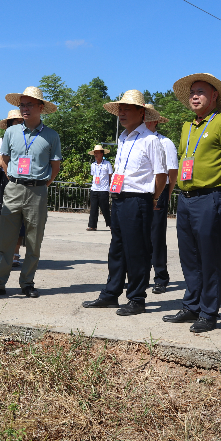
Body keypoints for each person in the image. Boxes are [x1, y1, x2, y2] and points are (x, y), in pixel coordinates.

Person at [162, 73, 221, 333]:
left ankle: (208, 312)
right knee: (189, 257)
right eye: (192, 92)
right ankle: (192, 305)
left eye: (201, 91)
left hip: (210, 197)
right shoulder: (187, 126)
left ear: (215, 95)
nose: (194, 96)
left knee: (209, 257)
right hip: (186, 198)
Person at [82, 91, 167, 315]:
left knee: (137, 251)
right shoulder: (123, 138)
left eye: (127, 108)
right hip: (118, 198)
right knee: (117, 249)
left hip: (138, 199)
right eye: (120, 109)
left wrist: (153, 197)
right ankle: (111, 294)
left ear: (141, 112)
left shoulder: (151, 140)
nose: (122, 112)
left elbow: (161, 175)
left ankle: (137, 298)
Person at [0, 86, 62, 298]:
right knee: (6, 239)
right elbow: (3, 159)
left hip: (37, 191)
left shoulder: (52, 136)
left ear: (41, 107)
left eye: (30, 105)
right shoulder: (11, 132)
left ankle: (27, 282)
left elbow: (55, 166)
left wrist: (45, 184)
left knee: (34, 241)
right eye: (22, 105)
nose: (25, 109)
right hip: (13, 189)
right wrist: (11, 177)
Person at [144, 104, 178, 294]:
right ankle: (141, 275)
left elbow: (172, 171)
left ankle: (160, 277)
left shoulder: (165, 142)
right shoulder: (135, 140)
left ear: (156, 121)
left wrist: (165, 193)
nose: (145, 121)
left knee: (156, 236)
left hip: (159, 190)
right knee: (139, 236)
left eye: (149, 118)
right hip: (140, 192)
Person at [0, 110, 26, 266]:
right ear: (9, 124)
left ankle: (16, 253)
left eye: (20, 122)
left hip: (24, 180)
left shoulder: (29, 140)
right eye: (15, 122)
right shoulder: (2, 140)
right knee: (3, 217)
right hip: (6, 180)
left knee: (21, 219)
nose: (18, 124)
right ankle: (3, 252)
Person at [87, 144, 113, 231]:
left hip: (104, 189)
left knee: (105, 208)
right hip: (94, 189)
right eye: (95, 153)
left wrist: (110, 187)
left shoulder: (107, 164)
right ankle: (92, 225)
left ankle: (111, 224)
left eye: (97, 153)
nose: (96, 155)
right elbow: (94, 176)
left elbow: (110, 176)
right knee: (93, 208)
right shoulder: (93, 165)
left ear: (102, 154)